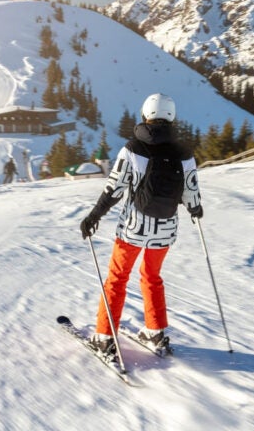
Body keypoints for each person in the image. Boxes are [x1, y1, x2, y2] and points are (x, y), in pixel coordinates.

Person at [79, 93, 203, 357]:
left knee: (117, 279)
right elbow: (191, 191)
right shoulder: (184, 153)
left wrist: (93, 216)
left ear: (145, 114)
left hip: (133, 229)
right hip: (166, 230)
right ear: (171, 117)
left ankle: (104, 336)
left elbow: (114, 188)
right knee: (152, 277)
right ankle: (155, 332)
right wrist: (195, 209)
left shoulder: (134, 149)